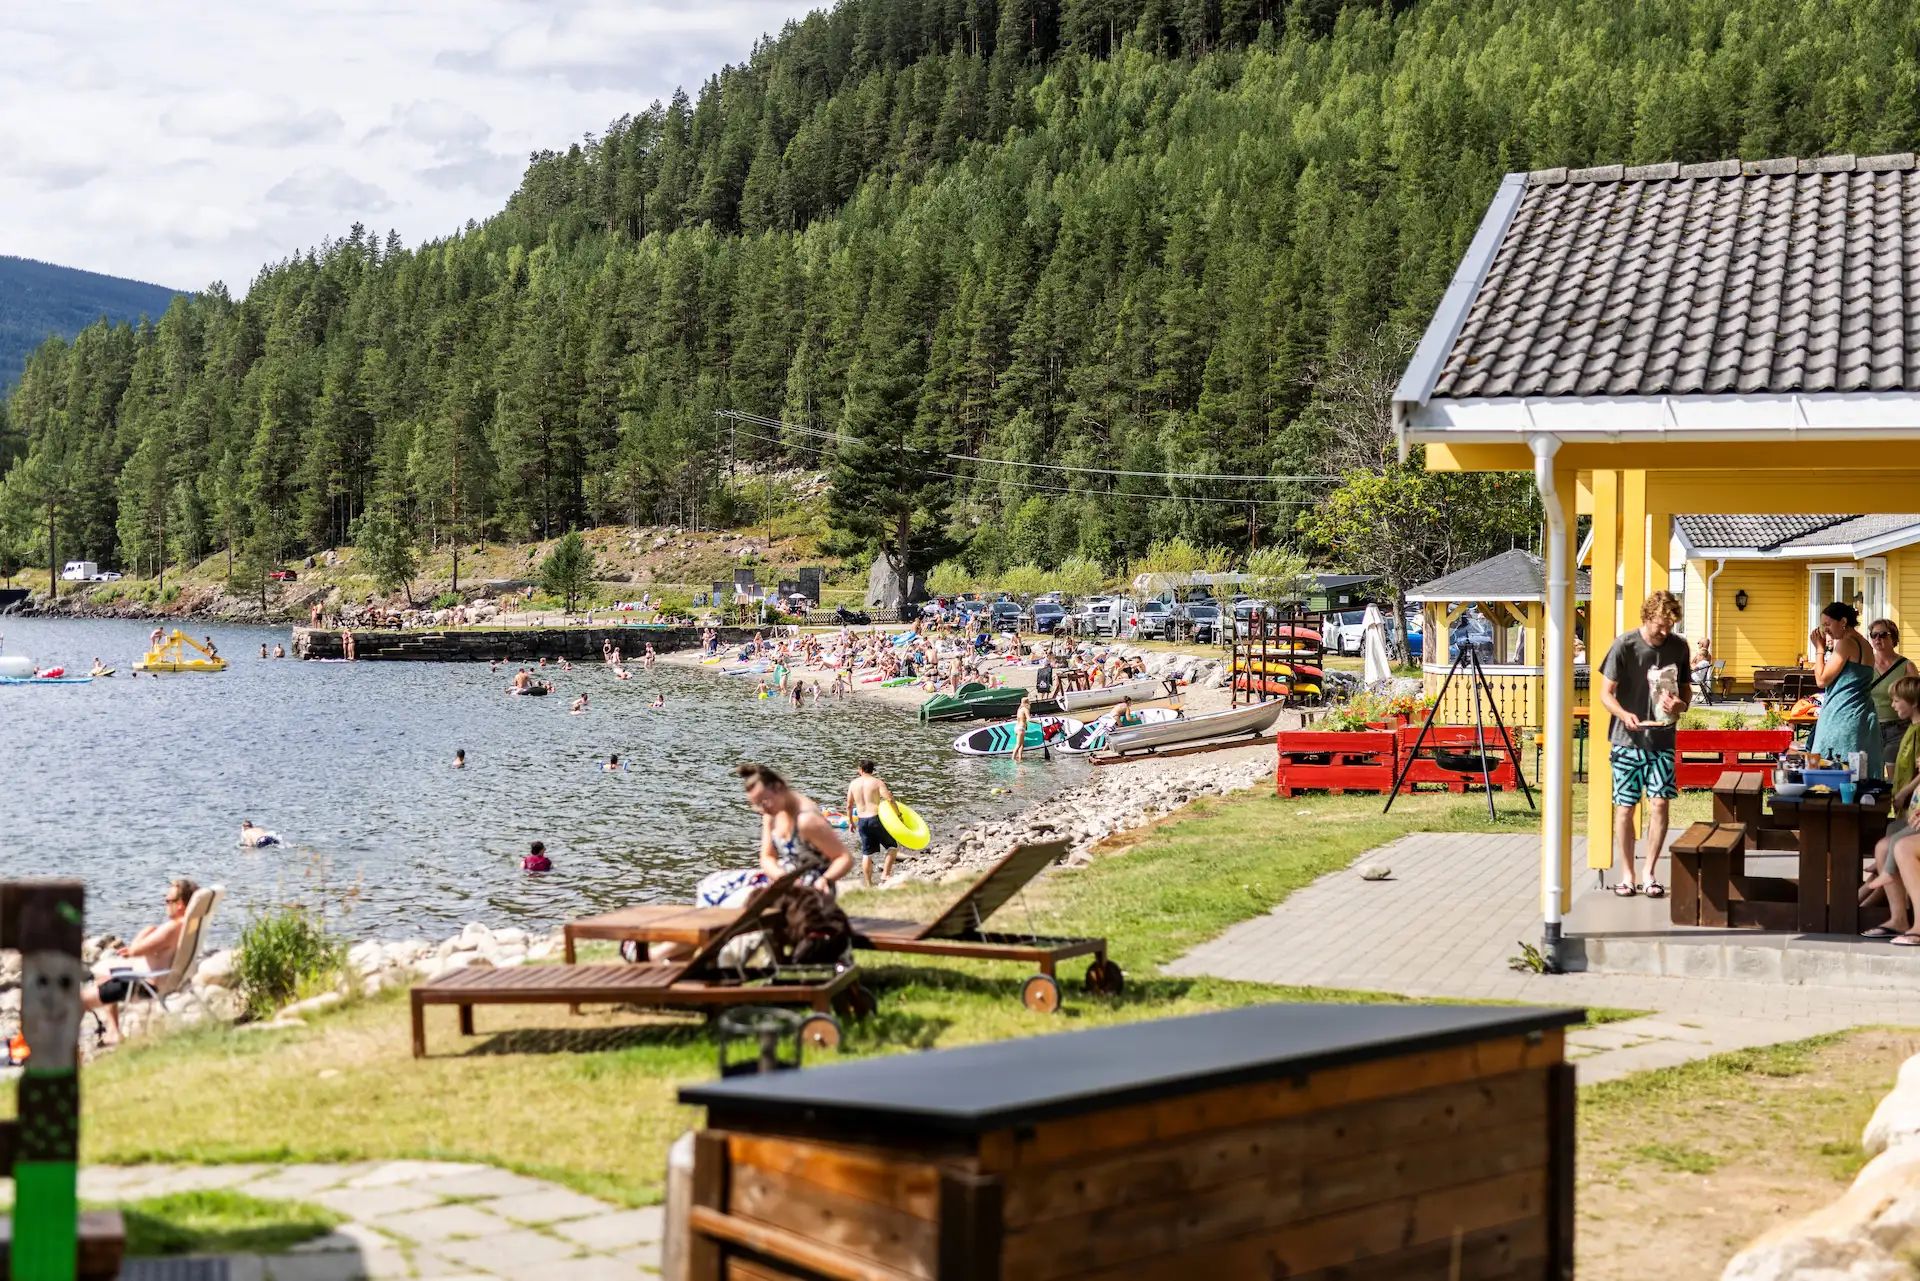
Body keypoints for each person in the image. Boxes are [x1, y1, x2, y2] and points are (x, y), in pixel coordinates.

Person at [1598, 590, 1691, 898]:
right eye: (1661, 625)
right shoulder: (1624, 645)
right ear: (1648, 617)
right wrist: (1624, 715)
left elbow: (1686, 693)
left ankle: (1649, 873)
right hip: (1626, 741)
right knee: (1625, 808)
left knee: (1660, 803)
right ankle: (1626, 875)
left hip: (1662, 740)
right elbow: (1606, 694)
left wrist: (1679, 705)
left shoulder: (1679, 647)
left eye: (1671, 625)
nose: (1666, 632)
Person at [82, 878, 198, 1044]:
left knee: (80, 999)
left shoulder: (173, 927)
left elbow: (135, 951)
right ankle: (113, 1032)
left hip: (144, 985)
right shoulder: (188, 926)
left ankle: (64, 1056)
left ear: (180, 904)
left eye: (168, 901)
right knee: (103, 972)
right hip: (165, 978)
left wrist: (145, 933)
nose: (165, 904)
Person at [1861, 675, 1920, 939]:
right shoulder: (1911, 728)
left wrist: (1906, 792)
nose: (1893, 705)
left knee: (1900, 845)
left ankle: (1878, 882)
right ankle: (1897, 918)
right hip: (1913, 810)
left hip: (1912, 808)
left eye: (1897, 700)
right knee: (1885, 845)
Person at [740, 762, 853, 895]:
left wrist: (825, 880)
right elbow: (767, 856)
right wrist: (781, 877)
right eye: (756, 804)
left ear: (779, 788)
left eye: (764, 801)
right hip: (785, 880)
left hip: (812, 891)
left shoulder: (806, 820)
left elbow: (845, 858)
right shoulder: (770, 814)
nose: (762, 809)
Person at [1810, 601, 1881, 778]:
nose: (1825, 630)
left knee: (1832, 771)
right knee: (1860, 774)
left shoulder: (1845, 643)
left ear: (1842, 621)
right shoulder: (1866, 645)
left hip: (1841, 716)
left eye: (1828, 624)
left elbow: (1821, 680)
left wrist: (1819, 649)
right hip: (1863, 716)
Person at [1868, 621, 1917, 776]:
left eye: (1883, 635)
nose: (1877, 639)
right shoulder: (1865, 664)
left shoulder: (1906, 666)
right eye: (1873, 635)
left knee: (1895, 777)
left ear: (1894, 638)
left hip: (1898, 727)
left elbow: (1916, 698)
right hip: (1870, 726)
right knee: (1871, 776)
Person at [846, 760, 900, 886]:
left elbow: (849, 805)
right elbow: (890, 799)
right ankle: (885, 874)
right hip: (876, 819)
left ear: (860, 770)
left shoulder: (853, 784)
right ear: (872, 770)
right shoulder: (877, 782)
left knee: (866, 854)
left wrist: (850, 822)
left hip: (862, 821)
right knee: (893, 846)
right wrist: (898, 815)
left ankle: (869, 884)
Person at [1013, 694, 1034, 762]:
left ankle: (1020, 758)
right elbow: (1029, 719)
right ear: (1027, 703)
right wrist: (1038, 722)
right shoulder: (1025, 709)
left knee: (1021, 745)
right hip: (1021, 729)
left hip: (1017, 727)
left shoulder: (1019, 709)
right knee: (1018, 745)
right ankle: (1013, 759)